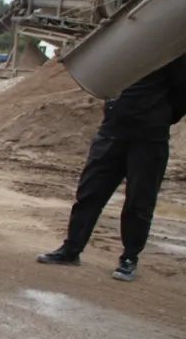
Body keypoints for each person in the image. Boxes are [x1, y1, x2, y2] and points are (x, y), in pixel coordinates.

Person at [37, 55, 186, 281]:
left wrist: (159, 117)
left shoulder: (168, 51)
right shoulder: (122, 47)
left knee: (139, 201)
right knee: (89, 194)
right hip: (111, 132)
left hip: (149, 138)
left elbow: (181, 93)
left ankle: (129, 258)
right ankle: (71, 249)